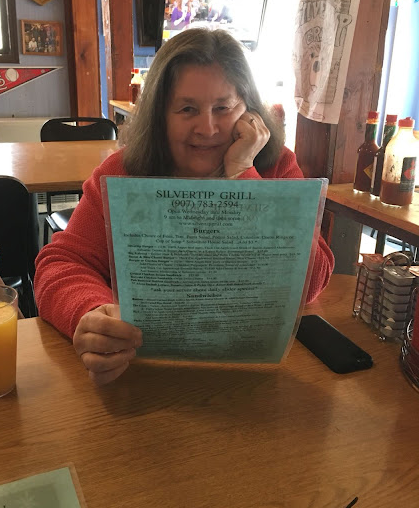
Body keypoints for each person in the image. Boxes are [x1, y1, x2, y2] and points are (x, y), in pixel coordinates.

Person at [34, 28, 334, 386]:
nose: (207, 128)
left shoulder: (274, 166)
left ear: (250, 112)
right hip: (140, 373)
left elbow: (312, 282)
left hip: (253, 376)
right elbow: (61, 263)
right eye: (188, 109)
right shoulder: (122, 174)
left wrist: (244, 176)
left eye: (223, 108)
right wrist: (90, 312)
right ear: (160, 114)